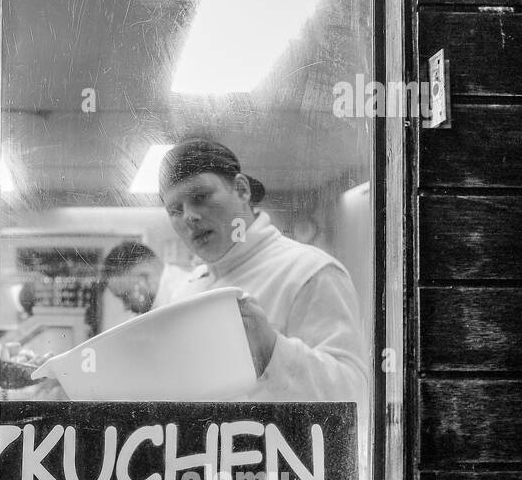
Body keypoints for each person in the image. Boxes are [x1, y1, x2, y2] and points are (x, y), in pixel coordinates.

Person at [157, 139, 368, 404]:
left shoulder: (309, 272)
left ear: (242, 190)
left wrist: (272, 352)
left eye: (200, 197)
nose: (189, 217)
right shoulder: (184, 293)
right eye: (175, 210)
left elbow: (354, 395)